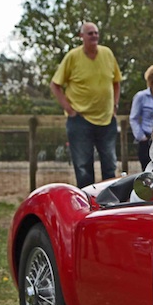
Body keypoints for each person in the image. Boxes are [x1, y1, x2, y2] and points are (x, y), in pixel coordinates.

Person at [50, 22, 122, 187]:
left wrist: (114, 106)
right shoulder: (72, 57)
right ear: (81, 36)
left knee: (110, 165)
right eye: (90, 33)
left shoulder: (107, 54)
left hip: (107, 119)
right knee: (83, 167)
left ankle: (109, 199)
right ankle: (85, 199)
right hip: (80, 120)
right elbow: (55, 85)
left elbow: (116, 82)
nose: (94, 36)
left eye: (96, 33)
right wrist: (69, 109)